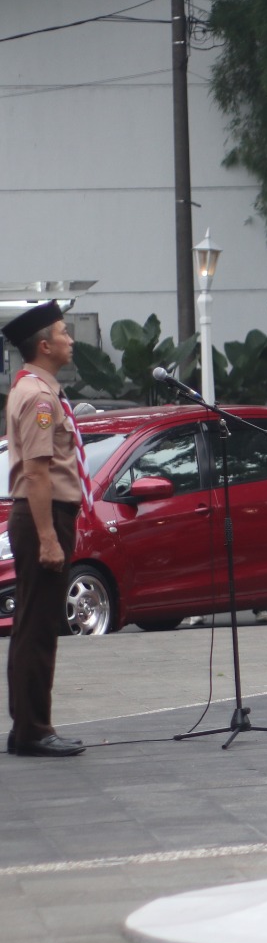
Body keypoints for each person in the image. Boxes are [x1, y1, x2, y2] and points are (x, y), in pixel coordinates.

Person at [3, 302, 88, 758]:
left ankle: (28, 728)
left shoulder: (36, 390)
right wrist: (49, 537)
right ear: (44, 345)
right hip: (42, 515)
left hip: (41, 513)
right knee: (37, 626)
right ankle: (33, 730)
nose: (70, 339)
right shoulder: (38, 397)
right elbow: (37, 473)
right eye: (63, 332)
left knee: (31, 624)